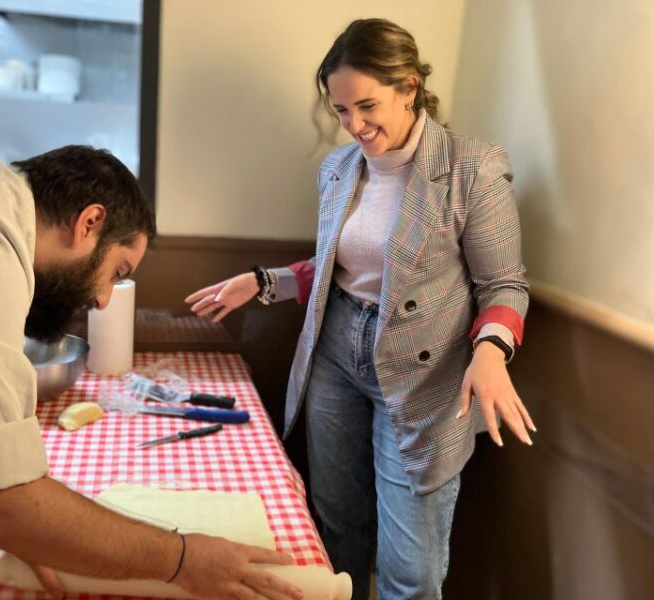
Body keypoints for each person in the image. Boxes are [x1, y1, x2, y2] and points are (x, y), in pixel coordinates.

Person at [0, 144, 303, 600]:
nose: (105, 300)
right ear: (89, 223)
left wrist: (40, 529)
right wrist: (183, 559)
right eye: (117, 271)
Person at [186, 18, 535, 600]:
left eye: (366, 105)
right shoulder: (338, 169)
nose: (353, 125)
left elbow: (505, 285)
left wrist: (493, 352)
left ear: (410, 88)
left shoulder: (472, 168)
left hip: (426, 376)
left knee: (411, 569)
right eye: (340, 110)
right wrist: (263, 281)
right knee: (338, 528)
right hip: (336, 356)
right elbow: (337, 270)